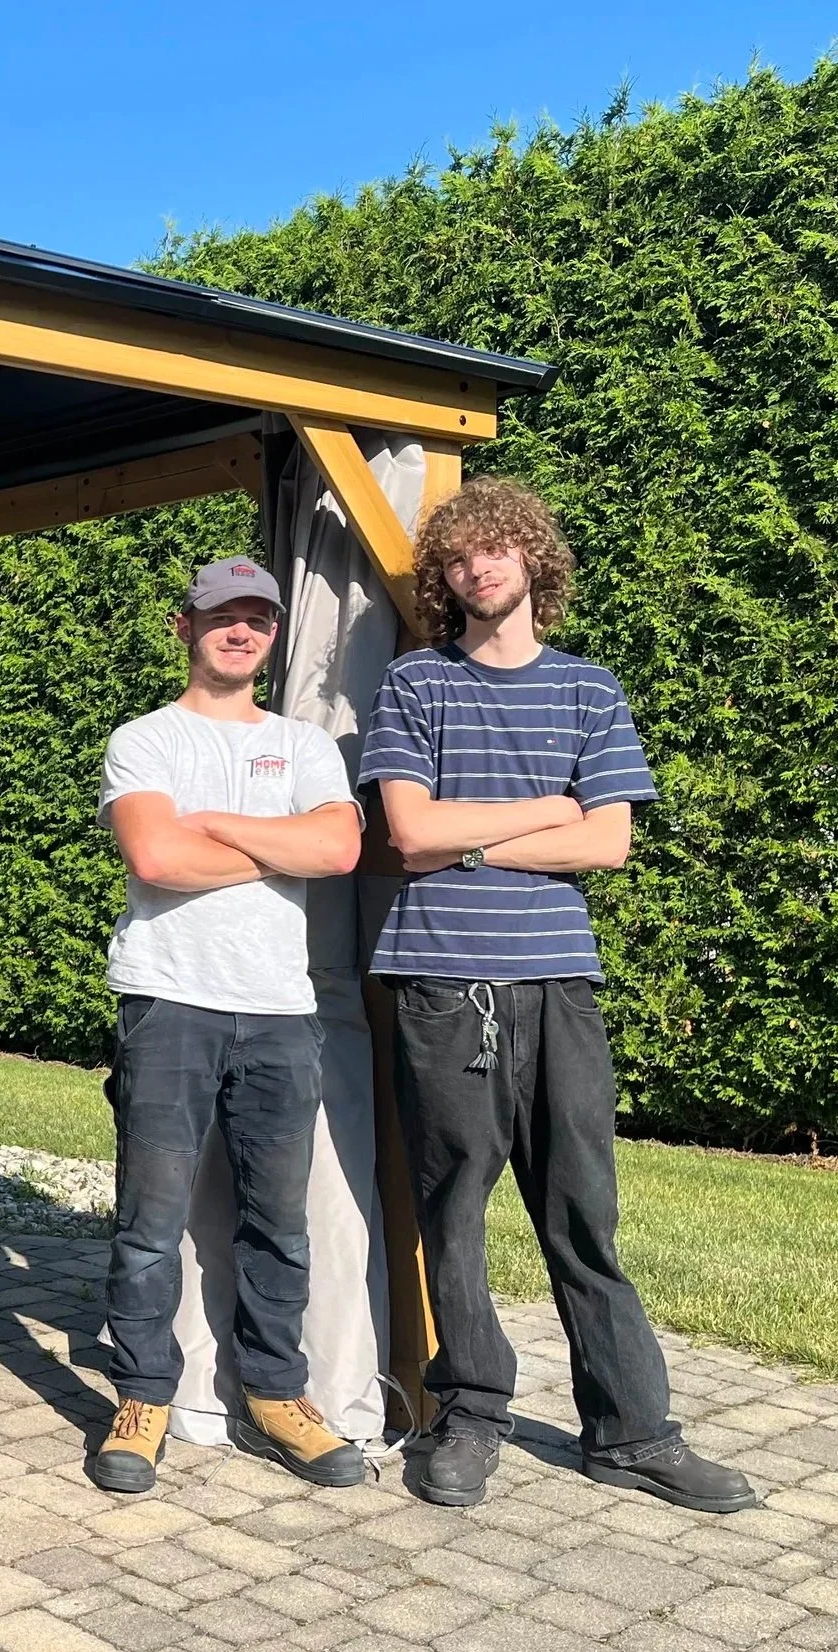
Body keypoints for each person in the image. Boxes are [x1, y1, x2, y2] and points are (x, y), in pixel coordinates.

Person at [359, 478, 753, 1513]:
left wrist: (472, 829)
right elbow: (408, 834)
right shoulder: (413, 686)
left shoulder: (589, 690)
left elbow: (609, 841)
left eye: (498, 549)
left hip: (558, 982)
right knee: (453, 1217)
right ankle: (471, 1413)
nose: (479, 566)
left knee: (583, 1214)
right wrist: (542, 808)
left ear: (534, 560)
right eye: (458, 556)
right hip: (441, 983)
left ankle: (630, 1432)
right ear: (444, 578)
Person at [88, 556, 367, 1494]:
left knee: (278, 1223)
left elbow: (338, 846)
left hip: (280, 1010)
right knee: (150, 1222)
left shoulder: (305, 745)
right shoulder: (144, 739)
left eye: (257, 618)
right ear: (185, 627)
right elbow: (158, 859)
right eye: (221, 616)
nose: (239, 631)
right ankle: (141, 1397)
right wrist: (276, 848)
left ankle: (277, 1392)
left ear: (275, 634)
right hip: (167, 1000)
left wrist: (220, 827)